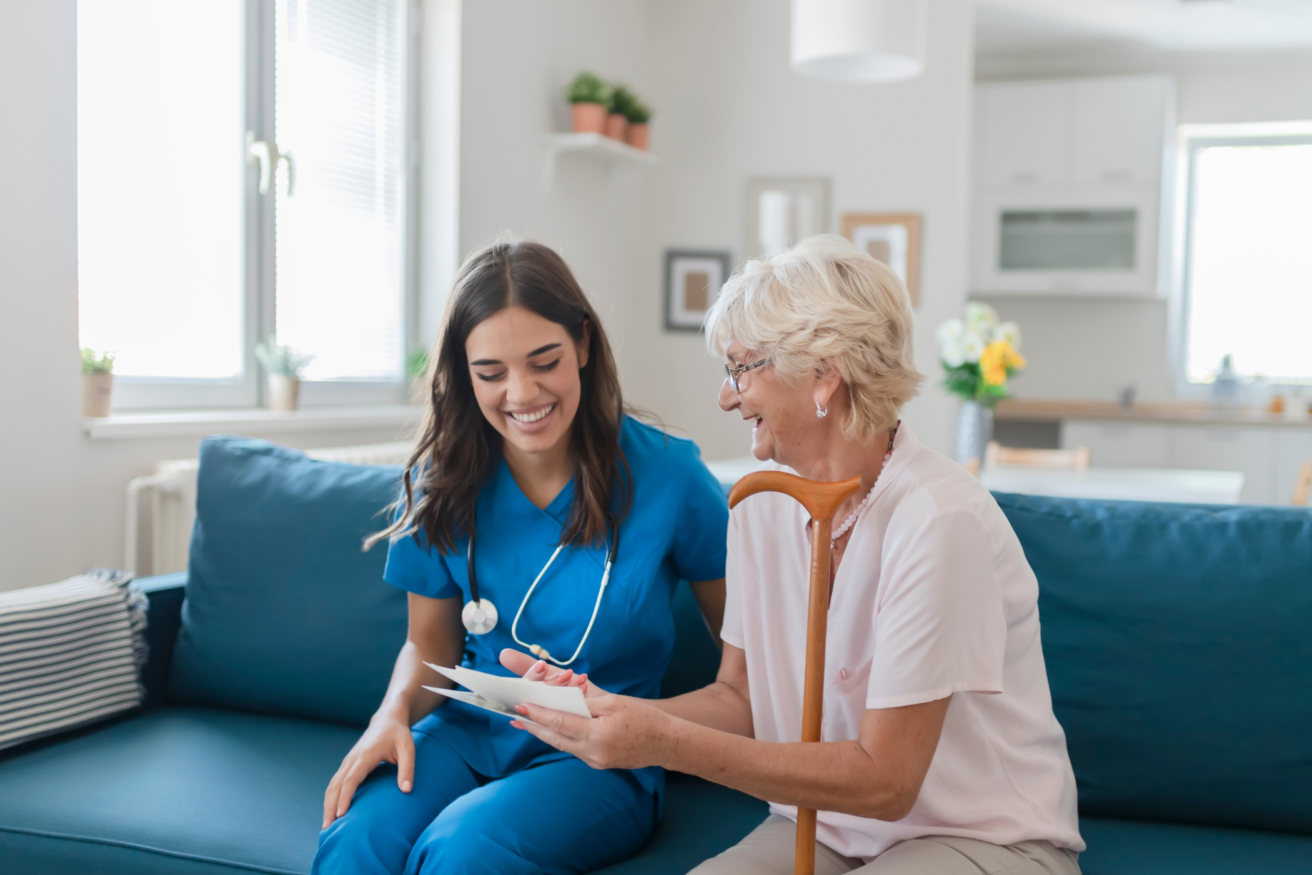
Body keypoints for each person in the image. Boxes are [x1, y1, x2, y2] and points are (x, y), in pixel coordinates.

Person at [501, 236, 1086, 874]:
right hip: (828, 824)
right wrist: (610, 713)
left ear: (823, 374)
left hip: (982, 836)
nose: (727, 397)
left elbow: (886, 781)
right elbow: (740, 698)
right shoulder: (760, 504)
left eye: (741, 368)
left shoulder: (940, 520)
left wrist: (661, 742)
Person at [313, 239, 729, 875]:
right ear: (463, 372)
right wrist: (389, 715)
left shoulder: (671, 477)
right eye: (491, 373)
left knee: (463, 850)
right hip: (467, 729)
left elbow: (749, 663)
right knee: (356, 840)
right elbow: (429, 647)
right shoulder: (442, 481)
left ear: (583, 345)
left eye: (544, 361)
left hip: (596, 754)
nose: (521, 393)